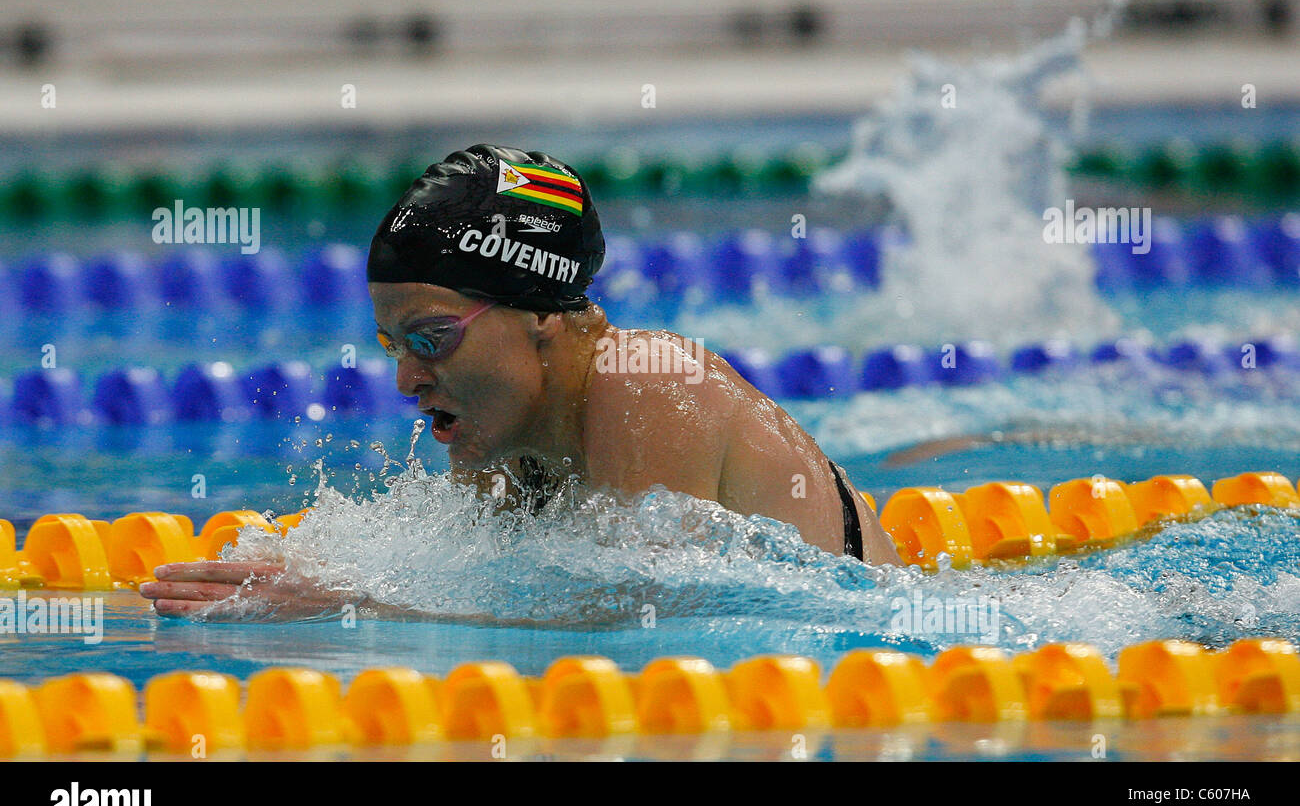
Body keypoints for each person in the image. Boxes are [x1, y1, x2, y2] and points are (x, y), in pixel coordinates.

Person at [141, 144, 900, 621]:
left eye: (431, 339)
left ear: (537, 313)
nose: (407, 378)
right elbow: (501, 587)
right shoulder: (507, 438)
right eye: (393, 345)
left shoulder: (646, 380)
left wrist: (356, 604)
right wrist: (320, 575)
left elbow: (643, 618)